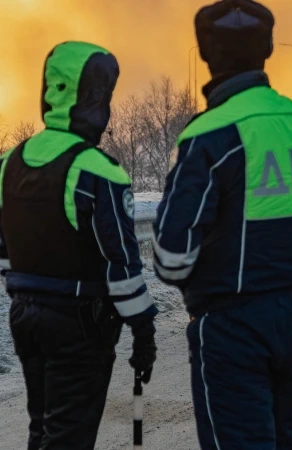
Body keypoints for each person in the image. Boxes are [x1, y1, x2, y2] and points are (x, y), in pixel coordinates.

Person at [152, 0, 292, 447]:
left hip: (231, 324)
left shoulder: (206, 136)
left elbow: (171, 259)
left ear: (206, 52)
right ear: (267, 48)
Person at [0, 41, 157, 449]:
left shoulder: (10, 162)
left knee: (44, 427)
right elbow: (122, 269)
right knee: (69, 435)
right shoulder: (97, 171)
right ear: (96, 99)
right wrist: (143, 331)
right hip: (80, 325)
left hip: (25, 317)